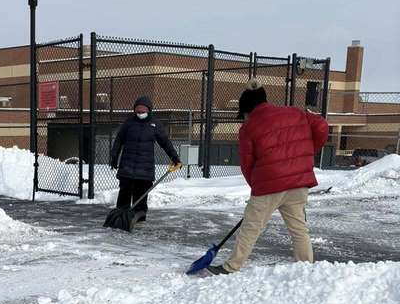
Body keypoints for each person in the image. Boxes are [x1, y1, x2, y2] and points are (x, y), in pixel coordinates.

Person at [207, 78, 329, 274]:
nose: (245, 118)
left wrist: (257, 186)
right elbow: (322, 126)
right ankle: (306, 268)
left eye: (244, 114)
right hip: (298, 183)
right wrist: (305, 154)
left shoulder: (249, 127)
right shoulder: (296, 113)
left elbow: (247, 164)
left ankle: (231, 267)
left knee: (251, 227)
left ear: (248, 109)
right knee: (299, 228)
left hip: (268, 184)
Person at [109, 96, 182, 219]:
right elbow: (119, 140)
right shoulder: (129, 123)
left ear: (149, 110)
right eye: (138, 111)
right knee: (124, 191)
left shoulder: (155, 124)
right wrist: (114, 155)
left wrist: (175, 159)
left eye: (143, 111)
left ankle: (139, 216)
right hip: (127, 165)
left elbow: (166, 143)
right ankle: (121, 216)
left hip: (145, 168)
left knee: (141, 192)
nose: (140, 113)